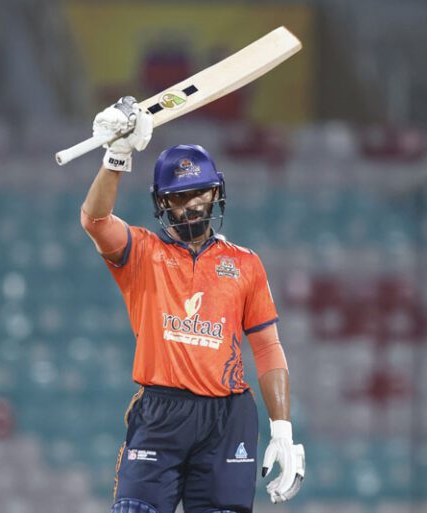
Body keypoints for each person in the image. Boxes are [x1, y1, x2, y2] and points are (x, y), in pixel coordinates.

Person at [80, 96, 305, 513]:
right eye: (178, 197)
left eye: (198, 193)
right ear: (162, 203)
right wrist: (116, 155)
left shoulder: (245, 264)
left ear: (215, 192)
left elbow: (268, 348)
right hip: (160, 415)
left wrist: (283, 431)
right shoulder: (142, 253)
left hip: (227, 419)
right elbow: (94, 221)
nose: (191, 205)